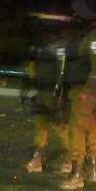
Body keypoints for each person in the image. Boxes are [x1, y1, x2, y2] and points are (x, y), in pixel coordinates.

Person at [60, 18, 96, 191]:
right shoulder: (81, 36)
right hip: (78, 89)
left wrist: (87, 90)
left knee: (77, 129)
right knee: (88, 126)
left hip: (84, 91)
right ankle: (90, 168)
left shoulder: (93, 37)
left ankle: (78, 173)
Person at [23, 17, 73, 175]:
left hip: (55, 93)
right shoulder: (42, 46)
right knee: (41, 126)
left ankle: (70, 159)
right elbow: (33, 70)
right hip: (42, 91)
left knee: (61, 127)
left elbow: (63, 71)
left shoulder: (62, 46)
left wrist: (59, 93)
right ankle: (37, 159)